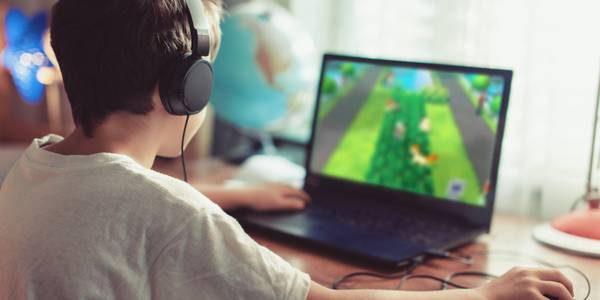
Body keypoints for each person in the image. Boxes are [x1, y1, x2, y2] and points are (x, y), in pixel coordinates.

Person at [0, 0, 575, 299]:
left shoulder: (36, 163)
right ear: (185, 88)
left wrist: (233, 192)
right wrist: (488, 295)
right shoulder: (171, 216)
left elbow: (113, 207)